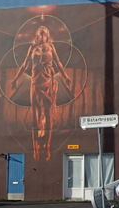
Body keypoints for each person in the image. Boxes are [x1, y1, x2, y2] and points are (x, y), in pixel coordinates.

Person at [10, 25, 72, 161]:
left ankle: (48, 147)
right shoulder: (32, 48)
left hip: (49, 83)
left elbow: (59, 62)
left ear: (48, 34)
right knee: (35, 117)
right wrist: (15, 79)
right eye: (40, 32)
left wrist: (65, 76)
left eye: (45, 32)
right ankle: (35, 148)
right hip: (35, 84)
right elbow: (25, 64)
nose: (43, 35)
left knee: (49, 116)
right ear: (37, 35)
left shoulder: (51, 48)